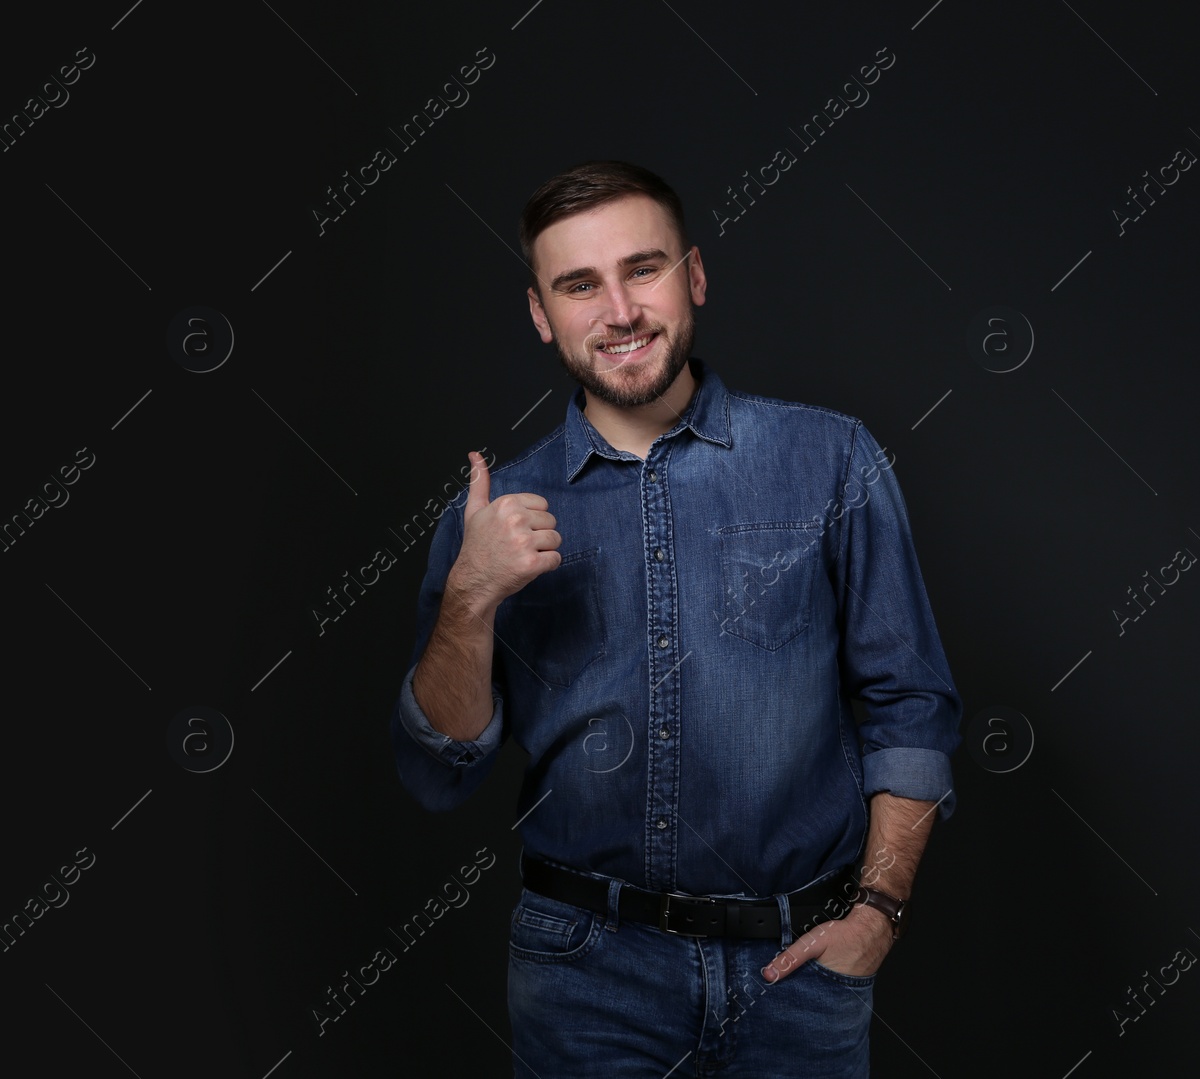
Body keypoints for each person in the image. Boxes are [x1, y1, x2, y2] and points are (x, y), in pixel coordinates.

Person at [389, 159, 962, 1078]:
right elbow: (433, 772)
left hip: (800, 974)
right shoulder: (493, 513)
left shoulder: (831, 458)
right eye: (579, 284)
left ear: (693, 275)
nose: (618, 310)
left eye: (642, 269)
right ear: (542, 314)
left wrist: (878, 911)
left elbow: (911, 703)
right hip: (584, 977)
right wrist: (472, 594)